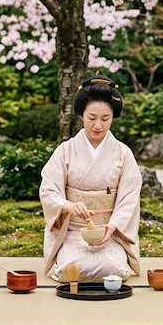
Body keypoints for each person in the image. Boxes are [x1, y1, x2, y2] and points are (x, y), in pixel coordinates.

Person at [39, 76, 142, 282]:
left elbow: (130, 197)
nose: (98, 125)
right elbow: (48, 189)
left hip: (108, 231)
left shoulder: (123, 153)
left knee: (111, 268)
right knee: (72, 269)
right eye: (91, 117)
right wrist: (67, 205)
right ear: (82, 115)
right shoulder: (65, 151)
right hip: (73, 230)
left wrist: (113, 226)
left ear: (113, 117)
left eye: (105, 119)